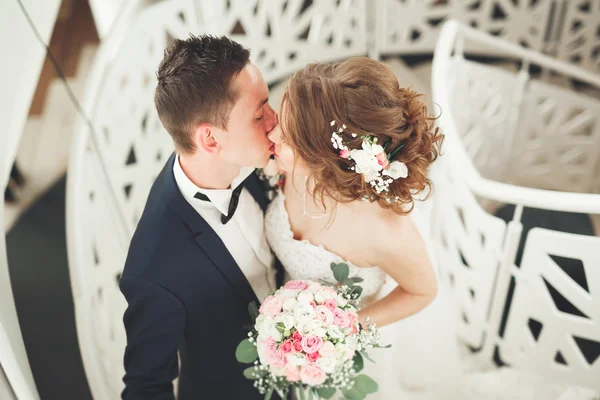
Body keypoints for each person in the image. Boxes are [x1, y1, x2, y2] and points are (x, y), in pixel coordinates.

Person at [264, 57, 467, 398]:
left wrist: (341, 331)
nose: (270, 136)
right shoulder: (285, 169)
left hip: (340, 355)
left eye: (284, 138)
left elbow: (422, 291)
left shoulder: (384, 229)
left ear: (322, 161)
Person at [119, 35, 282, 399]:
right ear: (210, 139)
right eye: (259, 115)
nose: (275, 122)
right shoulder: (153, 267)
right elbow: (146, 388)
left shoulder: (255, 157)